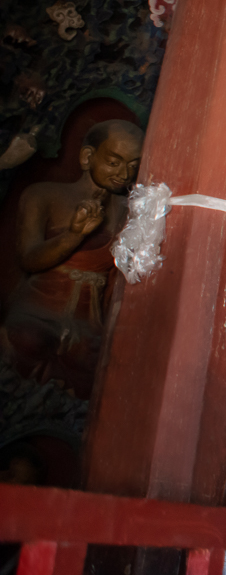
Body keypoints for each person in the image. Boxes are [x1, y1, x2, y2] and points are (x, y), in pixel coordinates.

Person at [5, 118, 142, 398]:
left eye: (133, 166)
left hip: (88, 323)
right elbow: (28, 259)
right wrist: (73, 235)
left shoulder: (130, 213)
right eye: (114, 162)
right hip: (38, 312)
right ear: (87, 157)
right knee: (29, 340)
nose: (124, 173)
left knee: (101, 365)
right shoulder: (43, 195)